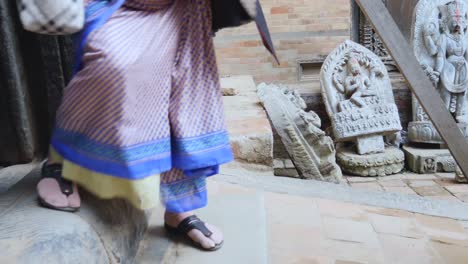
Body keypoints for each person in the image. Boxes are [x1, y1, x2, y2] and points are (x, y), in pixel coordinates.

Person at [35, 0, 276, 251]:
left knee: (180, 92)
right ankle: (60, 161)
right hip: (116, 5)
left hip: (181, 8)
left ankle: (179, 210)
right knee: (111, 67)